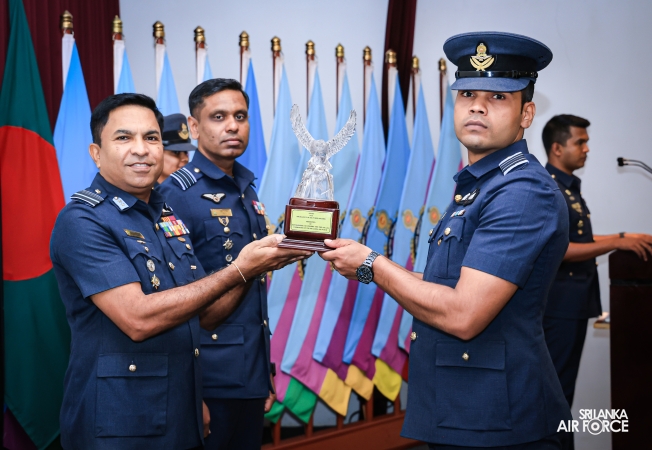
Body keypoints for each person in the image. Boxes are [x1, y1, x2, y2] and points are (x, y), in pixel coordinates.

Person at [321, 32, 572, 449]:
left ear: (526, 114)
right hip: (464, 410)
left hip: (500, 421)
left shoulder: (523, 192)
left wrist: (371, 265)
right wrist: (368, 263)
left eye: (498, 97)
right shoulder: (481, 184)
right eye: (468, 93)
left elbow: (463, 314)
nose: (477, 106)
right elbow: (450, 283)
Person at [50, 93, 310, 450]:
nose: (141, 149)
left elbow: (205, 314)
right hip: (119, 423)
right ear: (97, 153)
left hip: (180, 415)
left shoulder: (164, 215)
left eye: (151, 137)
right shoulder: (83, 220)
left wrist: (254, 268)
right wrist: (240, 269)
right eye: (124, 138)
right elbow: (138, 319)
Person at [158, 78, 272, 450]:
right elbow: (175, 300)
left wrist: (264, 375)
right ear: (194, 127)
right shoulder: (177, 192)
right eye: (218, 117)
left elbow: (254, 298)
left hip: (249, 373)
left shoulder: (245, 187)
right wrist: (191, 393)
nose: (232, 126)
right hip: (208, 378)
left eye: (240, 116)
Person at [542, 114, 652, 449]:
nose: (587, 149)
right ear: (557, 148)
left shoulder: (567, 187)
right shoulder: (549, 188)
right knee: (556, 395)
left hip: (573, 305)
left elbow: (581, 238)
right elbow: (559, 248)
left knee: (563, 394)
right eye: (580, 142)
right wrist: (618, 241)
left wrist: (623, 236)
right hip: (559, 307)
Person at [158, 113, 195, 184]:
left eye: (185, 152)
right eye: (176, 152)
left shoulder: (191, 188)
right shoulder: (142, 189)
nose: (185, 158)